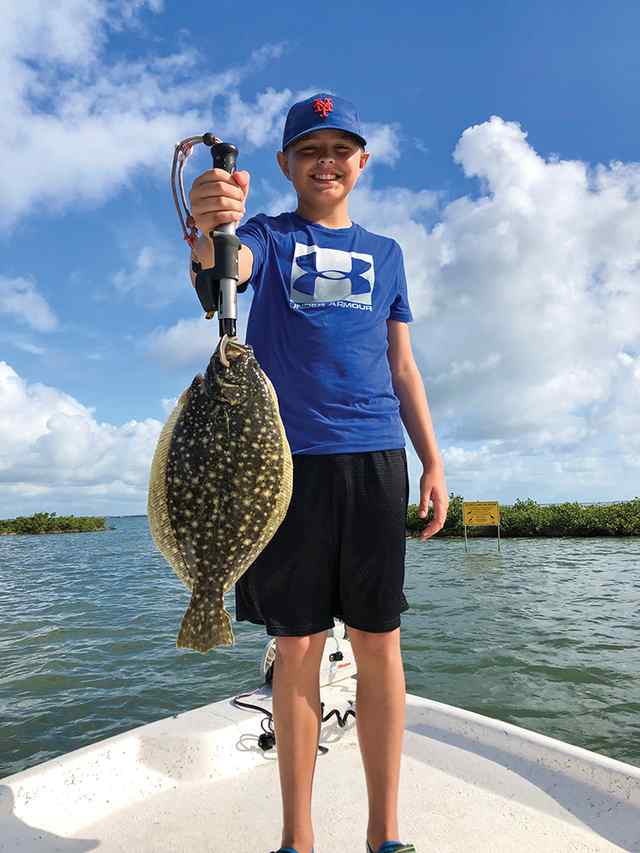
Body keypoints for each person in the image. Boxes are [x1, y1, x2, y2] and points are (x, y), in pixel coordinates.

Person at [188, 93, 448, 853]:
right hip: (282, 465)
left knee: (378, 642)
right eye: (309, 150)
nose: (325, 162)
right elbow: (221, 272)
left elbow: (404, 366)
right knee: (297, 647)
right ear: (284, 165)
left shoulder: (388, 252)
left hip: (375, 459)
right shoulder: (268, 235)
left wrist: (432, 459)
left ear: (362, 162)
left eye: (340, 149)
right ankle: (297, 840)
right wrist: (211, 224)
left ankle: (383, 833)